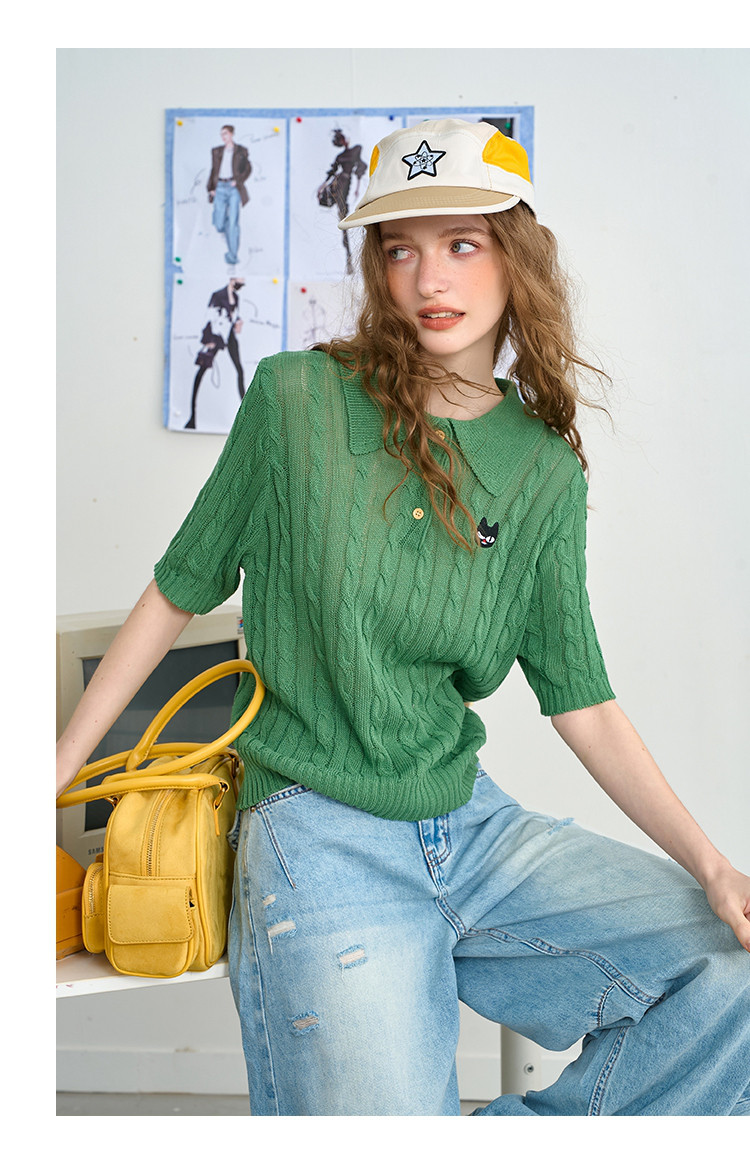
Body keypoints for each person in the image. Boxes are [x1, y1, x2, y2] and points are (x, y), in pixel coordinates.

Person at [56, 118, 750, 1117]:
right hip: (315, 827)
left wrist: (714, 866)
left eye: (462, 243)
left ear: (517, 258)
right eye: (399, 249)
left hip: (471, 822)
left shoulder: (543, 470)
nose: (430, 278)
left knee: (732, 969)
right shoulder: (296, 401)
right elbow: (180, 586)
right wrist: (56, 770)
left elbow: (583, 700)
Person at [184, 278, 246, 430]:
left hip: (229, 336)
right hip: (217, 335)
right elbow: (209, 317)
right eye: (240, 280)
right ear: (232, 279)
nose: (241, 283)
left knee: (239, 370)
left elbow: (234, 316)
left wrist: (238, 323)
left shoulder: (236, 297)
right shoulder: (218, 295)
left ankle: (248, 414)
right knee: (202, 371)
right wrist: (208, 339)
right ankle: (192, 416)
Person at [317, 127, 367, 274]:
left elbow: (360, 165)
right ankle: (348, 258)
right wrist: (322, 186)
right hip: (339, 183)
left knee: (344, 212)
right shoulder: (340, 157)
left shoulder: (356, 149)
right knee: (342, 213)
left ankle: (349, 257)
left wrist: (358, 184)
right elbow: (332, 171)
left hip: (346, 183)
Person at [207, 125, 252, 266]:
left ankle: (232, 256)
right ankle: (226, 227)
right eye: (221, 134)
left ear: (231, 134)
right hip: (219, 188)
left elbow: (248, 168)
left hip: (233, 189)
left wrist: (238, 181)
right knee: (219, 224)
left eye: (225, 133)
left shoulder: (241, 151)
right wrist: (211, 188)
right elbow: (214, 170)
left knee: (233, 223)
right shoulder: (216, 151)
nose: (223, 136)